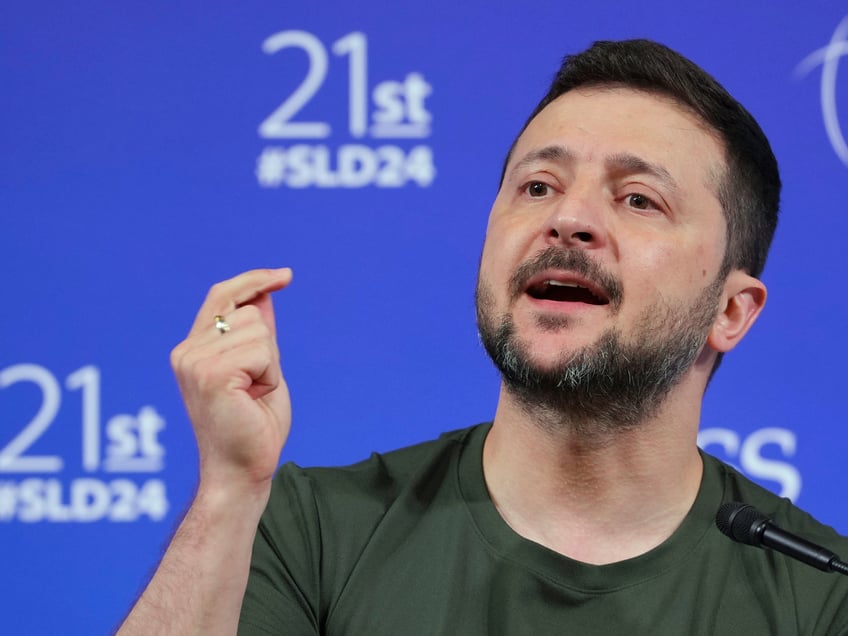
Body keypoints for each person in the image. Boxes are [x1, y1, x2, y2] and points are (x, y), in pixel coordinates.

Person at [118, 39, 848, 634]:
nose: (568, 218)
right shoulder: (309, 531)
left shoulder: (820, 596)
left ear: (732, 311)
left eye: (637, 199)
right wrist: (226, 493)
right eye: (538, 186)